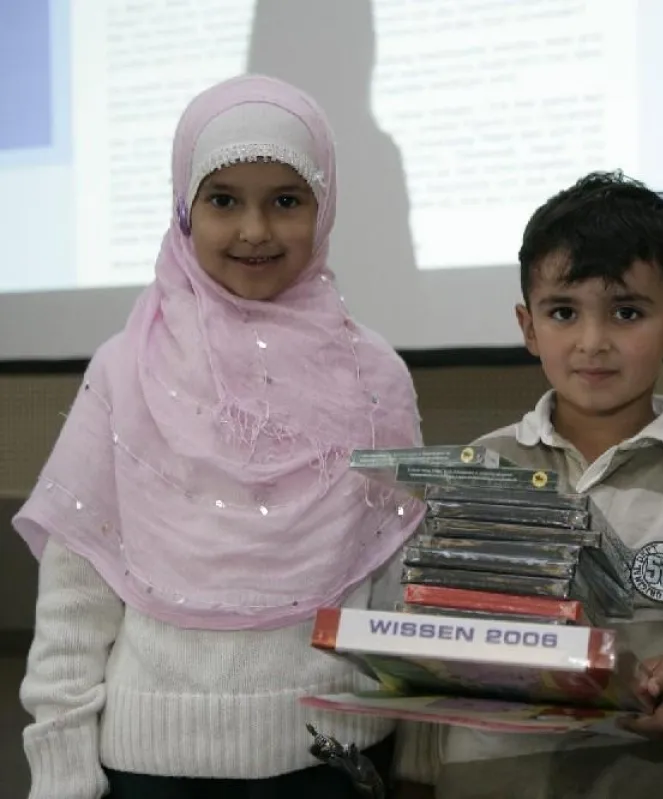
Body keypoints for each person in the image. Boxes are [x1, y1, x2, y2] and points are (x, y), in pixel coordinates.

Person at [15, 74, 425, 798]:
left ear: (323, 209)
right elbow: (75, 591)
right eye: (223, 200)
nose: (255, 231)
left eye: (286, 201)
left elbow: (398, 586)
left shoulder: (375, 376)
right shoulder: (126, 367)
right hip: (150, 769)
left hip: (334, 761)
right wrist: (61, 772)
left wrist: (421, 762)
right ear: (184, 208)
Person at [395, 171, 663, 798]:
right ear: (528, 326)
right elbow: (430, 640)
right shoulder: (476, 470)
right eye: (564, 313)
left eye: (627, 312)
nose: (592, 343)